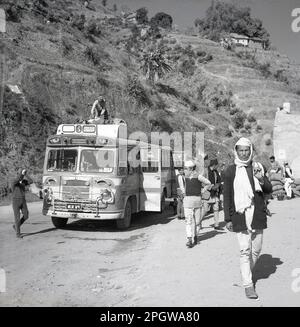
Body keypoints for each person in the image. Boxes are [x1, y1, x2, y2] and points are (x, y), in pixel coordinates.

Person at [223, 137, 272, 299]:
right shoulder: (230, 171)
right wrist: (228, 219)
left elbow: (268, 189)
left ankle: (247, 272)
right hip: (240, 214)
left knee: (256, 249)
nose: (244, 153)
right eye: (241, 150)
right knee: (245, 251)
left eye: (246, 150)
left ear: (250, 150)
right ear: (236, 151)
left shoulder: (258, 167)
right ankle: (248, 284)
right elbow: (227, 196)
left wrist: (261, 179)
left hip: (257, 213)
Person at [179, 160, 211, 248]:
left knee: (197, 222)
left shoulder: (198, 176)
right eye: (185, 168)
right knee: (188, 221)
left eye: (187, 168)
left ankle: (195, 237)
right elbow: (182, 187)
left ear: (191, 168)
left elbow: (208, 183)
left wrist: (202, 191)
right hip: (188, 201)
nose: (185, 170)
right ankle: (189, 239)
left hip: (197, 201)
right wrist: (184, 193)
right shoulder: (183, 177)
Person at [201, 158, 222, 230]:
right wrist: (210, 187)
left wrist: (217, 185)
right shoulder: (205, 171)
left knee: (216, 209)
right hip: (207, 193)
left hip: (215, 194)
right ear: (214, 165)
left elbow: (219, 180)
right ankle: (198, 222)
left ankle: (216, 225)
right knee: (205, 210)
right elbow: (201, 181)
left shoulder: (216, 171)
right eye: (217, 165)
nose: (217, 167)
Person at [11, 169, 33, 238]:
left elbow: (31, 181)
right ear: (18, 174)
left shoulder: (23, 181)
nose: (21, 175)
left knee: (26, 216)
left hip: (23, 201)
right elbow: (18, 179)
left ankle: (16, 226)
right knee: (17, 218)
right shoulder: (14, 181)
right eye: (20, 173)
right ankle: (18, 234)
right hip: (15, 201)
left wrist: (26, 174)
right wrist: (22, 174)